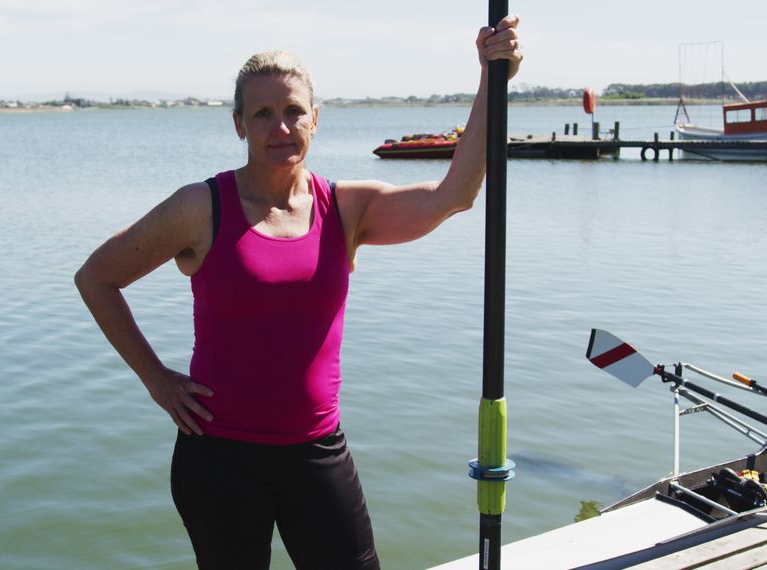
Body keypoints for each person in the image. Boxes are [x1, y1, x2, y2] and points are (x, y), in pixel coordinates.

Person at [75, 15, 523, 570]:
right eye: (262, 114)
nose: (280, 127)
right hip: (219, 458)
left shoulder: (346, 209)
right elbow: (97, 277)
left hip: (316, 452)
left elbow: (454, 194)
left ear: (316, 118)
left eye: (292, 111)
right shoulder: (201, 208)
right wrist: (156, 380)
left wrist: (491, 76)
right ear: (239, 125)